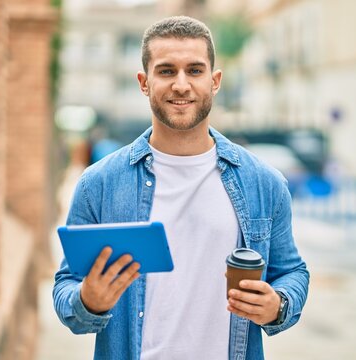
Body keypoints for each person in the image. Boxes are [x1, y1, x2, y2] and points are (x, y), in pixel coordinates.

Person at [53, 16, 309, 360]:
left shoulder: (263, 182)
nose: (181, 84)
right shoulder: (99, 184)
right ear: (144, 82)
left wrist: (278, 305)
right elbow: (66, 285)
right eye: (166, 71)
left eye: (195, 70)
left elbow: (292, 272)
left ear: (214, 81)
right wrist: (87, 301)